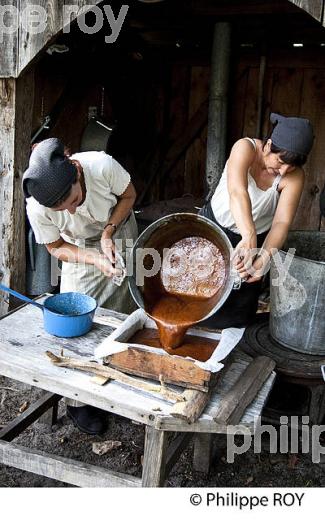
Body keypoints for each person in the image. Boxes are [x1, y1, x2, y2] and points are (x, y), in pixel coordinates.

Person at [23, 138, 138, 434]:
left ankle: (118, 387)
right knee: (78, 325)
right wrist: (93, 258)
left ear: (75, 171)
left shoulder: (100, 165)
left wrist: (108, 233)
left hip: (120, 231)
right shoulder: (36, 207)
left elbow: (129, 196)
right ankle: (79, 403)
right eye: (63, 209)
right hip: (78, 249)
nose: (71, 212)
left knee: (125, 318)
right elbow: (56, 246)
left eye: (74, 201)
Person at [200, 112, 314, 329]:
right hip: (214, 229)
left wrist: (263, 258)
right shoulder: (245, 148)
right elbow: (237, 191)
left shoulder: (294, 177)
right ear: (269, 145)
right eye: (280, 162)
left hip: (256, 242)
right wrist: (248, 234)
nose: (283, 171)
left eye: (291, 167)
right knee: (198, 296)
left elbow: (281, 223)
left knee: (235, 316)